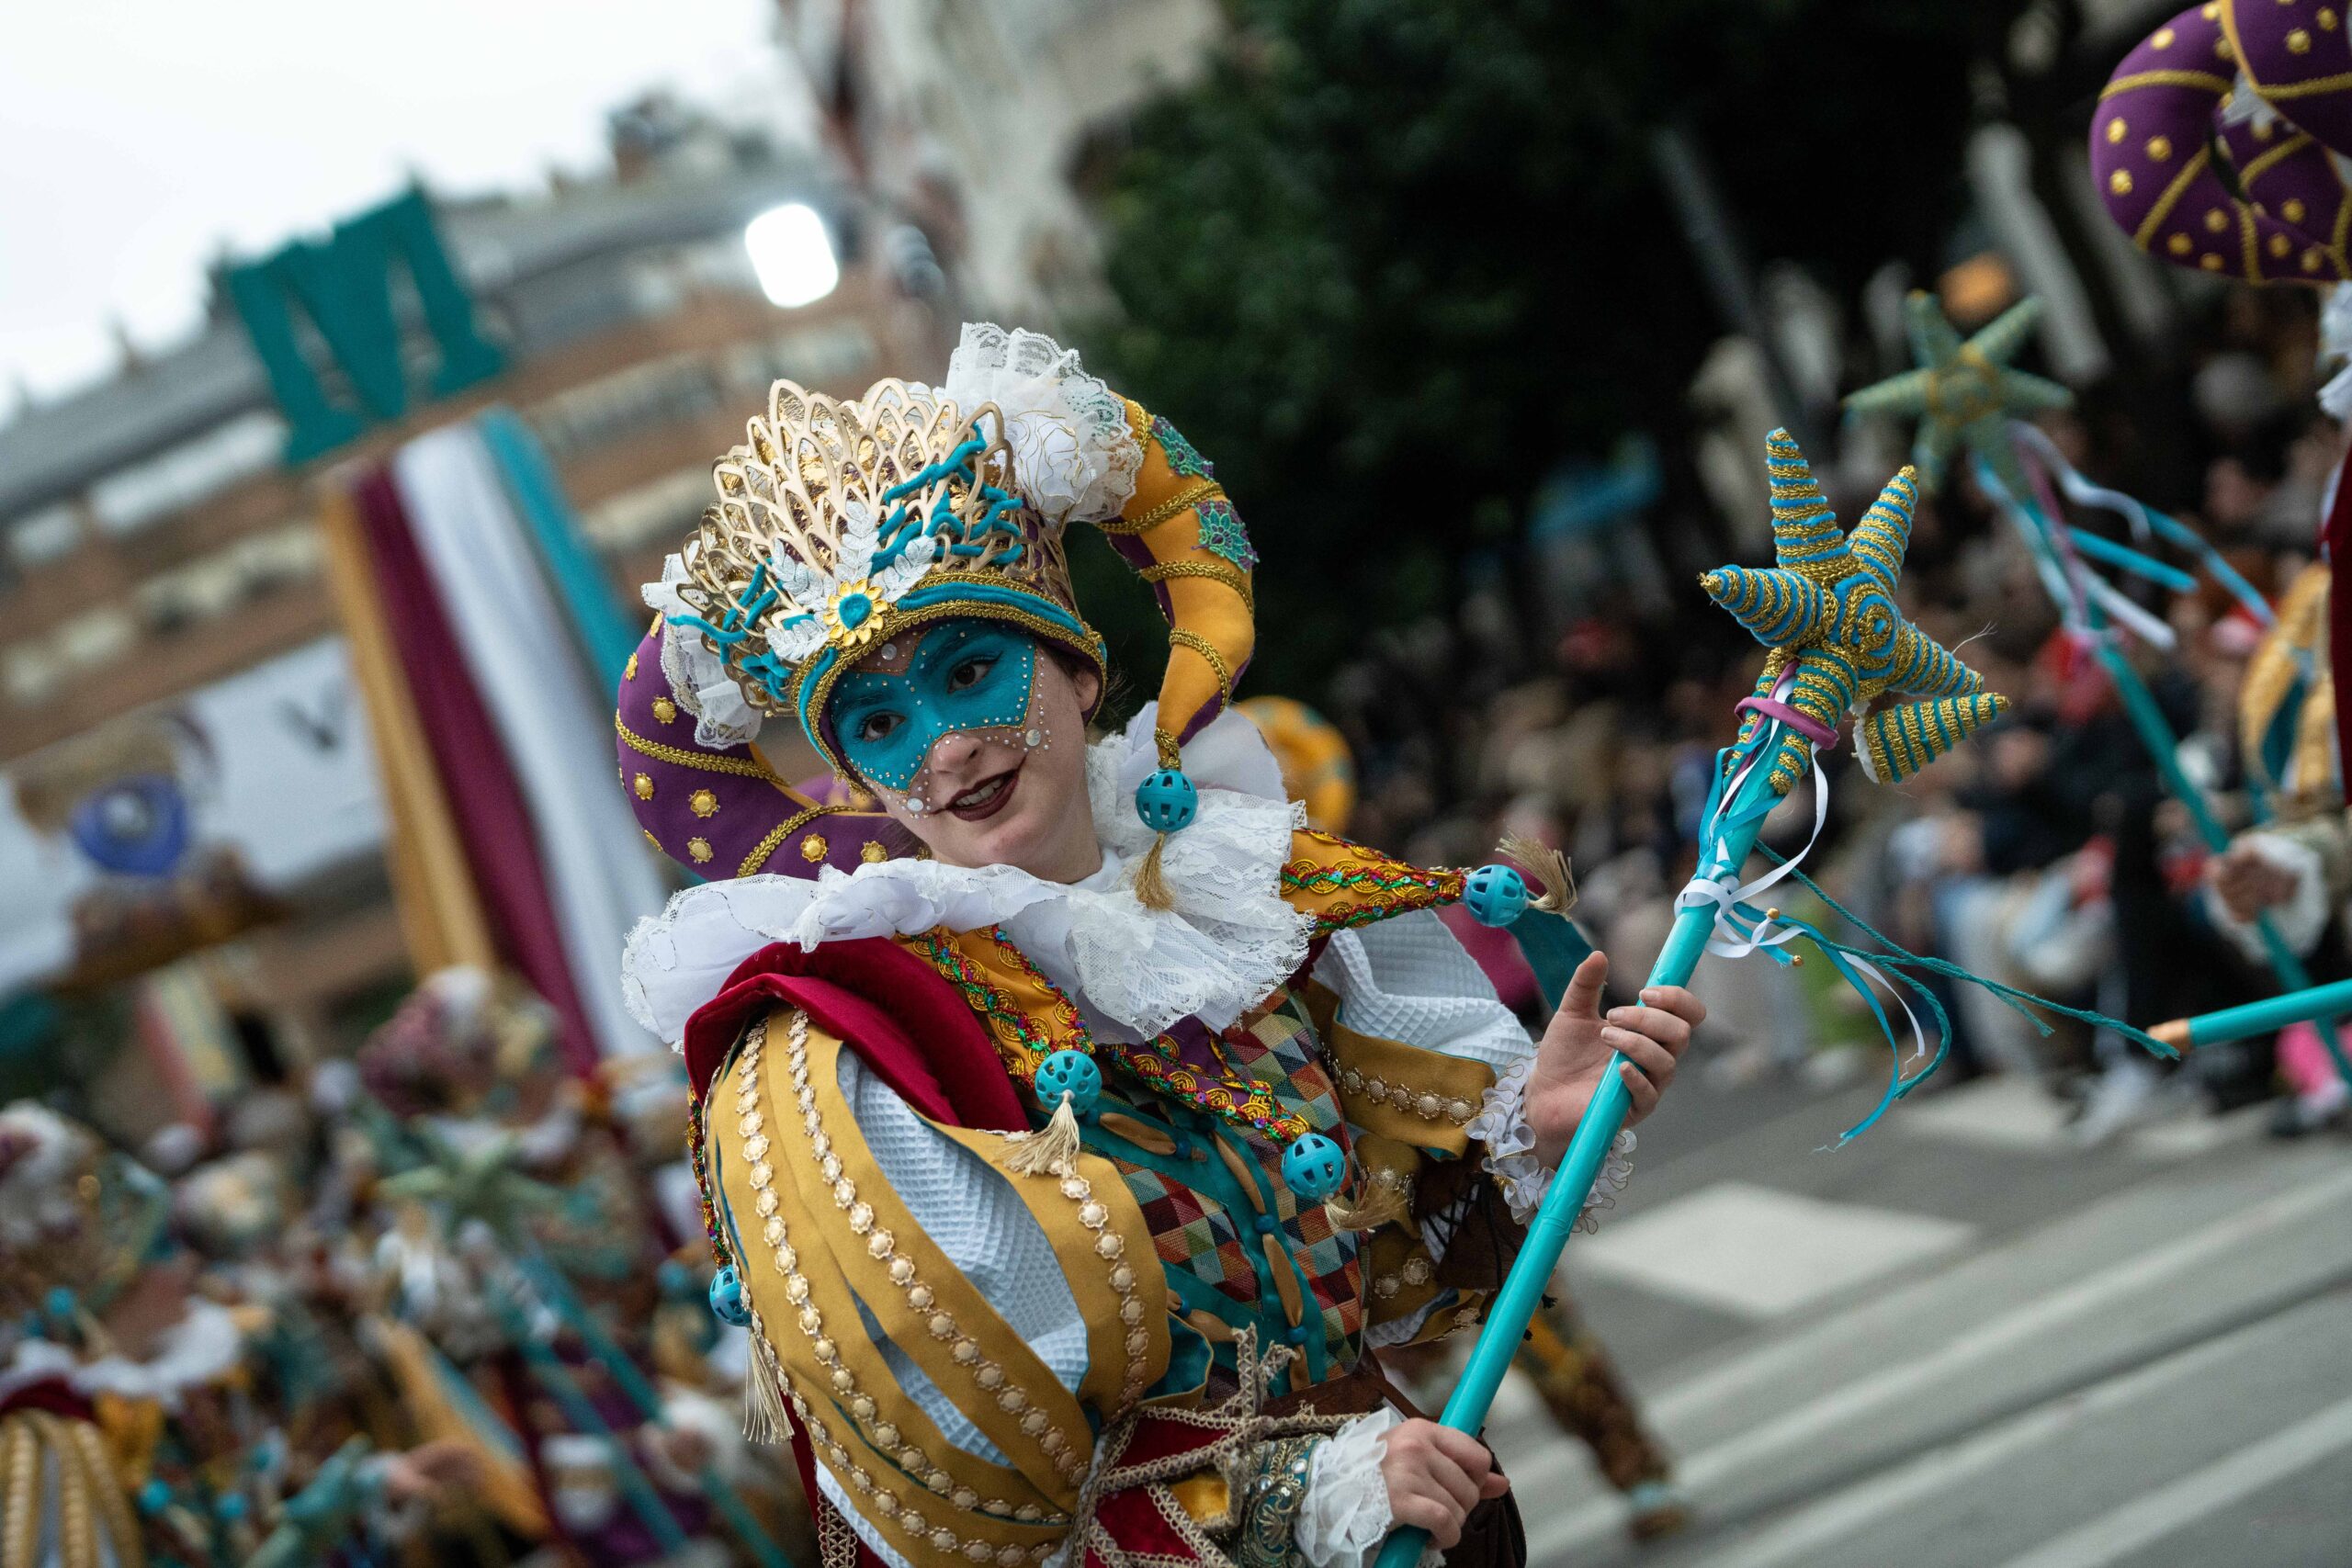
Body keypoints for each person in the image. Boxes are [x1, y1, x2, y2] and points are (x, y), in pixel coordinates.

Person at [616, 324, 1703, 1568]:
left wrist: (1534, 1134)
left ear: (1080, 673)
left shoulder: (1236, 904)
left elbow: (1385, 1262)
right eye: (877, 723)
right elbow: (974, 1496)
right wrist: (1302, 1495)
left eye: (970, 673)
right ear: (857, 782)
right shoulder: (857, 1041)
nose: (945, 748)